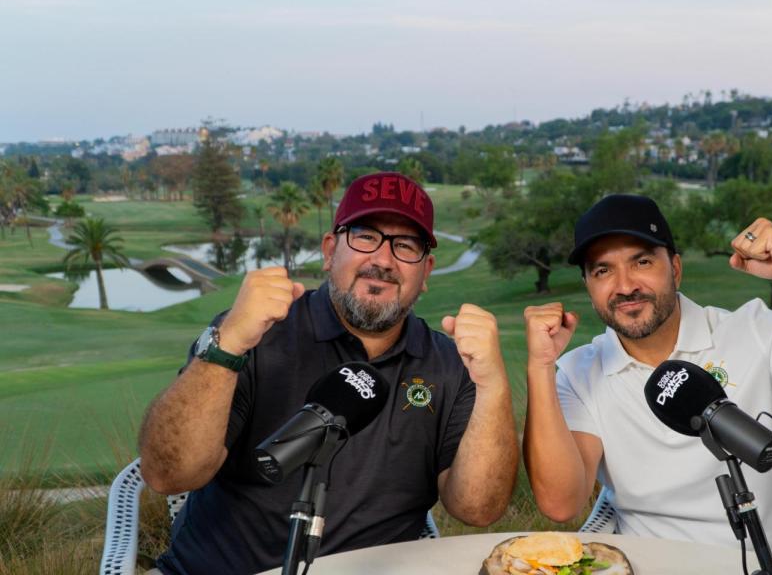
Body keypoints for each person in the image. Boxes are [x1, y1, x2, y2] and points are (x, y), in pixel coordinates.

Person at [139, 172, 518, 575]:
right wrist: (229, 343)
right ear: (329, 250)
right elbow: (167, 475)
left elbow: (478, 510)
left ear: (425, 272)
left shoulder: (448, 364)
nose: (383, 260)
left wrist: (493, 384)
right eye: (365, 236)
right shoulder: (257, 334)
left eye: (405, 246)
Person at [522, 194, 772, 560]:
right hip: (653, 567)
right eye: (603, 270)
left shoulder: (755, 332)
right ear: (589, 286)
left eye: (642, 262)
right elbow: (562, 504)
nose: (625, 286)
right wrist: (540, 366)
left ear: (674, 267)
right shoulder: (578, 372)